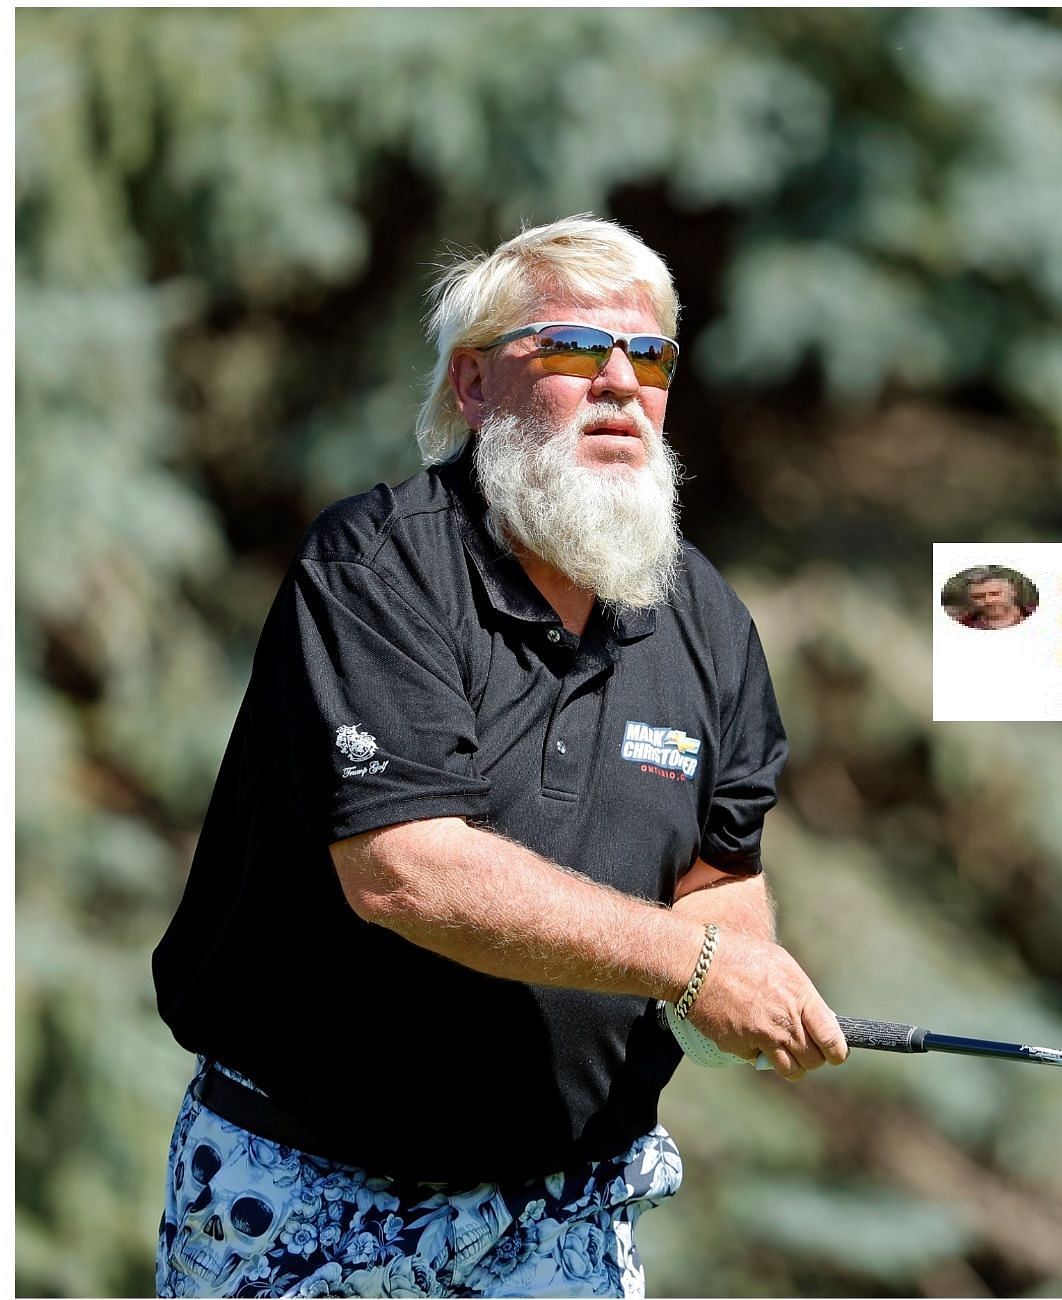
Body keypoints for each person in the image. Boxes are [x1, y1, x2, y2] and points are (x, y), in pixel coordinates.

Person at [150, 215, 847, 1297]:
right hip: (306, 1190)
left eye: (650, 356)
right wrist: (693, 967)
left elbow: (721, 880)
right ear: (474, 387)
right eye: (574, 348)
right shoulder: (377, 567)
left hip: (569, 1210)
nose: (623, 381)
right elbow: (405, 870)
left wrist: (731, 989)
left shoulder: (704, 617)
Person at [954, 567, 1034, 629]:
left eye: (995, 594)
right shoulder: (964, 624)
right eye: (978, 597)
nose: (988, 601)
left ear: (1013, 591)